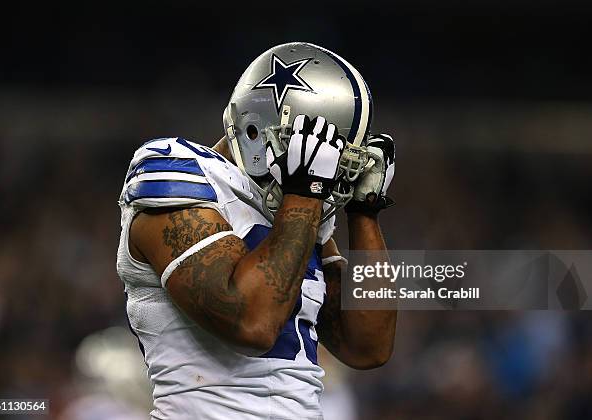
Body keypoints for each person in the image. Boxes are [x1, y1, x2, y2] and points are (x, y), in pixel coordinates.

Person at [116, 42, 397, 419]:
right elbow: (252, 323)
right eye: (313, 149)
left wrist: (364, 214)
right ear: (256, 128)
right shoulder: (180, 172)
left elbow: (369, 347)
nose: (325, 175)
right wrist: (305, 194)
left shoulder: (299, 209)